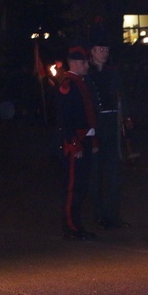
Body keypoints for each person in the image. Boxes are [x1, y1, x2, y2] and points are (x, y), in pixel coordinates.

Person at [86, 40, 132, 230]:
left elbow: (122, 95)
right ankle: (99, 215)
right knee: (95, 174)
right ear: (93, 51)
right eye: (101, 49)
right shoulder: (87, 74)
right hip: (95, 126)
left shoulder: (113, 73)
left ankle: (113, 216)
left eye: (107, 49)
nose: (105, 52)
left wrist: (126, 117)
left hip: (112, 124)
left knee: (114, 175)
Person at [56, 46, 98, 240]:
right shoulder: (68, 84)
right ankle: (71, 226)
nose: (86, 65)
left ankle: (76, 224)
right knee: (73, 186)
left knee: (81, 186)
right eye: (83, 62)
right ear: (73, 63)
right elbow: (65, 118)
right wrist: (73, 142)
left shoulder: (80, 82)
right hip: (76, 142)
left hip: (85, 139)